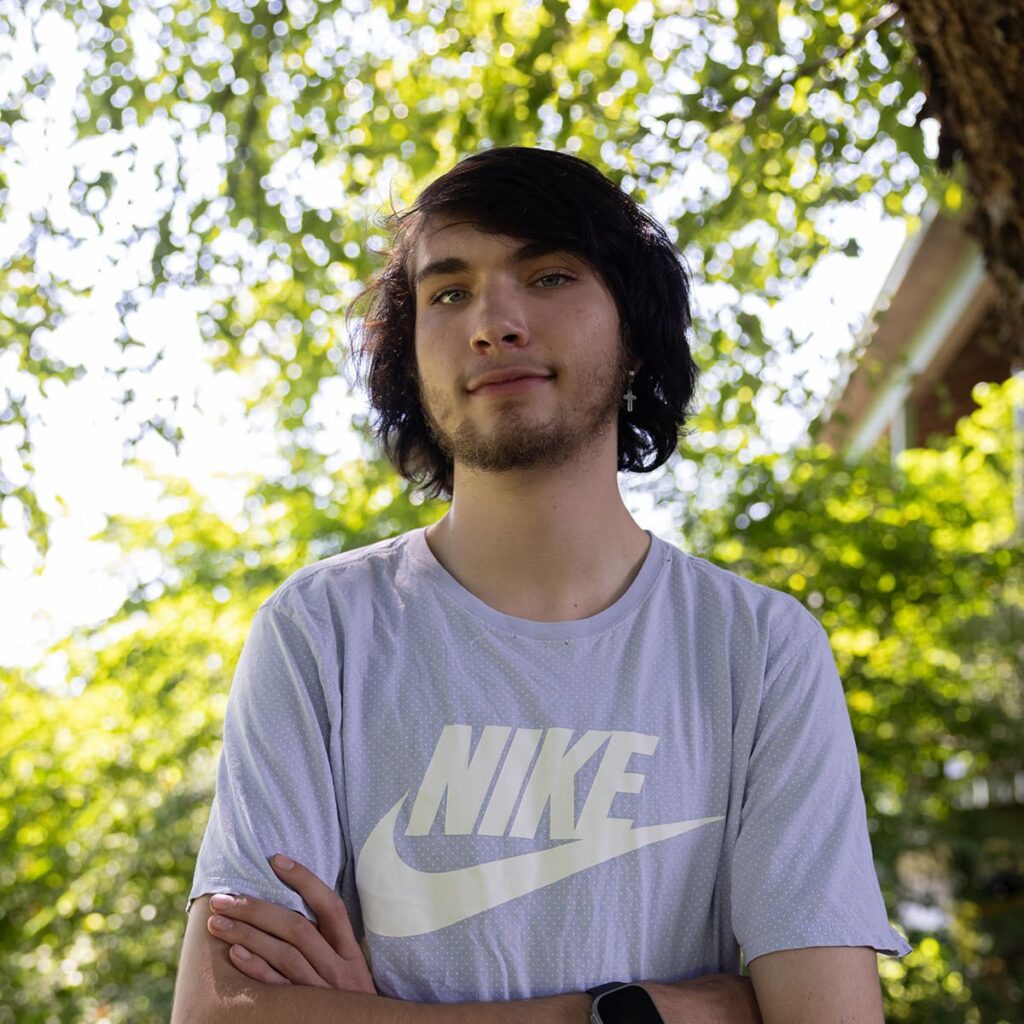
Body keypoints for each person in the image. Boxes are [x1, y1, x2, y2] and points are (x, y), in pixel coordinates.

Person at [171, 146, 911, 1023]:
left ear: (634, 333)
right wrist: (651, 1011)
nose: (493, 322)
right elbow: (221, 1013)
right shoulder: (320, 632)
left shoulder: (758, 650)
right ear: (413, 359)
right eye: (448, 293)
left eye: (550, 275)